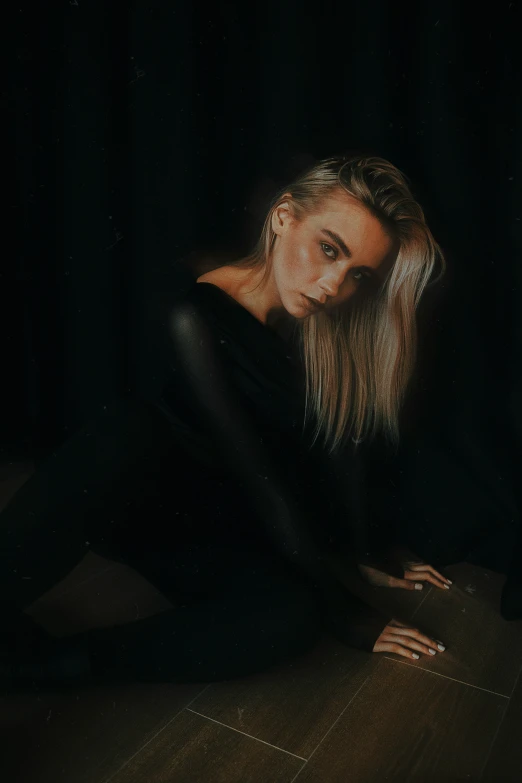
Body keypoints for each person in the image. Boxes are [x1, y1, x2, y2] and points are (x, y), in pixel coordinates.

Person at [1, 154, 450, 693]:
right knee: (130, 430)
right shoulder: (193, 315)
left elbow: (335, 458)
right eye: (329, 249)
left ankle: (35, 668)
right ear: (284, 216)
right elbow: (259, 475)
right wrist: (348, 609)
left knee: (295, 616)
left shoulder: (318, 334)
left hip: (230, 525)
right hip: (150, 508)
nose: (332, 286)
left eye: (358, 275)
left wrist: (356, 558)